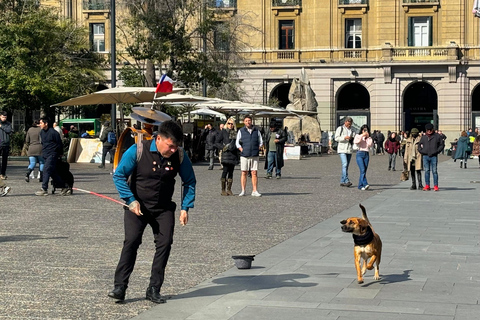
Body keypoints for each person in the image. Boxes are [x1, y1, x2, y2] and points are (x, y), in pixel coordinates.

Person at [109, 120, 196, 304]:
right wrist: (130, 200)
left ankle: (154, 288)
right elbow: (119, 175)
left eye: (176, 147)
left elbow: (189, 181)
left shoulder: (179, 155)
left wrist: (185, 207)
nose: (173, 150)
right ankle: (120, 287)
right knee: (131, 242)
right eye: (170, 146)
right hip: (137, 206)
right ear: (158, 139)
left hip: (163, 208)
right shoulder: (137, 150)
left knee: (165, 244)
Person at [35, 117, 67, 196]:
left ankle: (44, 188)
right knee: (52, 172)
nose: (40, 125)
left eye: (41, 123)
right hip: (45, 154)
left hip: (52, 154)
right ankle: (64, 186)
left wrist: (60, 153)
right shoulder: (42, 132)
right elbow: (43, 143)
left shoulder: (53, 133)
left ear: (46, 124)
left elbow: (59, 144)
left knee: (46, 170)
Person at [236, 115, 263, 196]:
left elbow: (261, 141)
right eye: (246, 120)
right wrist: (241, 149)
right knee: (244, 172)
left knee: (254, 172)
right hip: (244, 154)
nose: (248, 122)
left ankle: (254, 190)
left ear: (251, 121)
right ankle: (243, 190)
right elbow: (237, 142)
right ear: (244, 122)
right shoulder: (241, 131)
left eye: (249, 120)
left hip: (254, 154)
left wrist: (258, 148)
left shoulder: (256, 131)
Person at [418, 123, 444, 191]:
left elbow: (442, 145)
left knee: (434, 171)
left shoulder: (437, 136)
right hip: (425, 156)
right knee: (426, 171)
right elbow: (419, 145)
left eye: (430, 130)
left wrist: (437, 151)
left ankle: (435, 185)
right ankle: (427, 185)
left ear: (432, 129)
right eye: (427, 130)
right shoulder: (423, 137)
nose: (429, 131)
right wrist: (422, 151)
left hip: (433, 156)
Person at [218, 118, 239, 195]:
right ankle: (223, 190)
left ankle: (229, 189)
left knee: (231, 172)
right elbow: (217, 142)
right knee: (225, 171)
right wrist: (223, 148)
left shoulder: (235, 132)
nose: (230, 125)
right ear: (227, 124)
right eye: (229, 123)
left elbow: (238, 142)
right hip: (226, 154)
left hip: (233, 154)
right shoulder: (223, 132)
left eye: (232, 123)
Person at [334, 116, 355, 187]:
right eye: (348, 124)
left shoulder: (352, 130)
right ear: (345, 122)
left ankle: (342, 181)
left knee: (346, 166)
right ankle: (346, 180)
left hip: (349, 149)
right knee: (344, 164)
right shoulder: (340, 128)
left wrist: (352, 139)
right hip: (342, 149)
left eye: (350, 124)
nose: (349, 125)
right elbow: (336, 138)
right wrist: (344, 137)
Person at [354, 124, 373, 190]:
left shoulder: (369, 138)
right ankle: (365, 184)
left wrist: (367, 138)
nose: (365, 131)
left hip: (366, 154)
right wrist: (362, 136)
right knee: (362, 169)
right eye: (364, 130)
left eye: (366, 130)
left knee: (364, 171)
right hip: (360, 153)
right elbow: (356, 142)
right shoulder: (358, 136)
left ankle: (360, 185)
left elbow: (370, 145)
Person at [0, 111, 12, 180]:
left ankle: (3, 173)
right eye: (3, 117)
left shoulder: (8, 124)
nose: (4, 118)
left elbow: (9, 130)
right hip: (0, 143)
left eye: (5, 117)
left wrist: (1, 127)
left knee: (5, 160)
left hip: (6, 143)